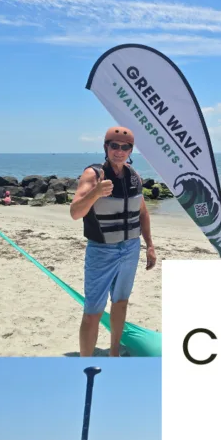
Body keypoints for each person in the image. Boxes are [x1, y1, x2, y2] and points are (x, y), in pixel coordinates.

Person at [69, 126, 156, 357]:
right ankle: (85, 361)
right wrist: (96, 193)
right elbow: (75, 212)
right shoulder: (93, 174)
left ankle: (114, 352)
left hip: (130, 248)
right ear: (105, 147)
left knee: (120, 302)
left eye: (125, 147)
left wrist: (150, 245)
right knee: (93, 310)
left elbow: (143, 213)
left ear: (131, 150)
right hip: (102, 250)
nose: (119, 151)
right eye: (114, 146)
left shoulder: (134, 176)